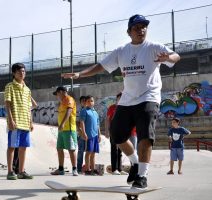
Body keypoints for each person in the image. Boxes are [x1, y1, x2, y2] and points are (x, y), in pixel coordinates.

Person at [62, 14, 180, 189]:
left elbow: (176, 56)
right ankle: (134, 163)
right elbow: (101, 66)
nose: (141, 30)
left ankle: (142, 175)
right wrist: (80, 74)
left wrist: (168, 58)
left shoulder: (154, 47)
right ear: (129, 31)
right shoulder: (121, 51)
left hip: (149, 97)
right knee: (116, 135)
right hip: (127, 100)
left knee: (145, 136)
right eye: (137, 27)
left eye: (144, 27)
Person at [5, 63, 34, 180]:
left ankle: (21, 171)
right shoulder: (9, 86)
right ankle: (10, 171)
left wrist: (31, 121)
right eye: (19, 72)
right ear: (13, 73)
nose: (22, 73)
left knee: (23, 147)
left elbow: (29, 107)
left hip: (25, 123)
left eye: (23, 71)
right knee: (12, 146)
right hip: (15, 122)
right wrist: (10, 120)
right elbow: (7, 104)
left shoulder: (27, 89)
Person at [51, 86, 78, 176]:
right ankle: (61, 169)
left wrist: (62, 123)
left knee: (71, 149)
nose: (57, 96)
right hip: (62, 130)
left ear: (62, 92)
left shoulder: (69, 99)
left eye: (57, 94)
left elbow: (69, 111)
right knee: (59, 148)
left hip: (69, 129)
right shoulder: (62, 102)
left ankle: (74, 169)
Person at [105, 92, 128, 175]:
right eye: (119, 98)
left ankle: (120, 169)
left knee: (120, 150)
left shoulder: (125, 108)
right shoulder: (112, 108)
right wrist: (107, 131)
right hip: (113, 131)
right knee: (114, 149)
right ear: (117, 99)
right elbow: (107, 120)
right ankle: (114, 169)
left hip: (122, 132)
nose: (121, 100)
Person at [79, 95, 101, 175]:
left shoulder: (95, 112)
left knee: (93, 153)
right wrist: (84, 133)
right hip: (89, 135)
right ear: (86, 103)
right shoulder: (84, 111)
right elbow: (82, 122)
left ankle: (93, 169)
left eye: (92, 101)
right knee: (88, 152)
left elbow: (98, 124)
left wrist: (99, 134)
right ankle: (87, 169)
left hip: (95, 136)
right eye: (88, 101)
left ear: (94, 102)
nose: (90, 102)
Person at [77, 95, 86, 173]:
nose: (84, 102)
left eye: (85, 101)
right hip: (81, 134)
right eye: (82, 101)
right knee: (81, 151)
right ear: (80, 102)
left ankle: (87, 167)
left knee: (89, 151)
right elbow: (77, 122)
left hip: (88, 133)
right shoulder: (79, 111)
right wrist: (80, 132)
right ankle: (79, 168)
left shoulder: (88, 110)